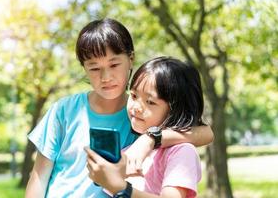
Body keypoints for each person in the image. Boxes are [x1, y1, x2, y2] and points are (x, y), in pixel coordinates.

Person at [25, 18, 213, 198]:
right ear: (84, 68)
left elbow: (206, 133)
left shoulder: (142, 117)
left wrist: (149, 138)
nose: (106, 77)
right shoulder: (64, 111)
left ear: (131, 59)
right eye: (94, 68)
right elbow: (39, 176)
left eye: (114, 64)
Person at [85, 56, 205, 198]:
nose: (136, 107)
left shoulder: (181, 152)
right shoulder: (130, 151)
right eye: (134, 96)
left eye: (150, 102)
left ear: (176, 109)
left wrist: (119, 187)